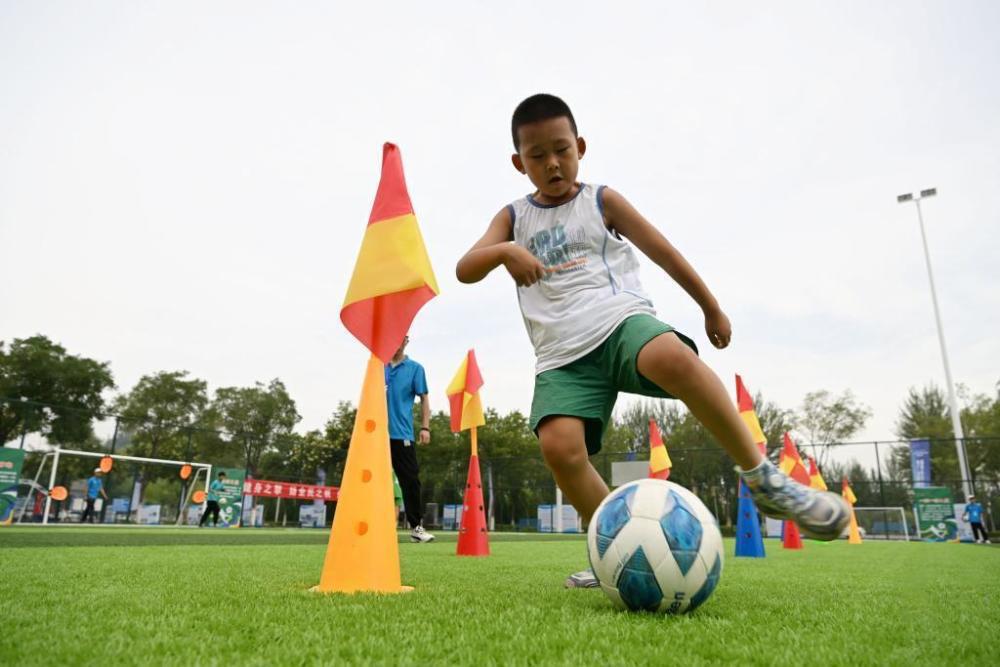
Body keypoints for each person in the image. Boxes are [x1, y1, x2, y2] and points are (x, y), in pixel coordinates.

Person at [456, 93, 850, 588]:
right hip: (560, 356)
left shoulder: (601, 201)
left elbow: (664, 252)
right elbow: (464, 269)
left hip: (619, 321)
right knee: (559, 448)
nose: (552, 164)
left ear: (580, 146)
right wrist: (505, 250)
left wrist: (710, 305)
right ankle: (616, 549)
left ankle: (762, 477)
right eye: (537, 156)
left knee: (673, 357)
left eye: (562, 150)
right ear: (519, 163)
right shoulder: (514, 218)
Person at [385, 334, 435, 543]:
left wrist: (425, 427)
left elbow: (424, 399)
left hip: (401, 435)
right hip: (375, 436)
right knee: (373, 481)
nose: (395, 343)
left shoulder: (415, 368)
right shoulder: (378, 367)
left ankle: (416, 527)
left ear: (405, 340)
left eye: (399, 339)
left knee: (411, 481)